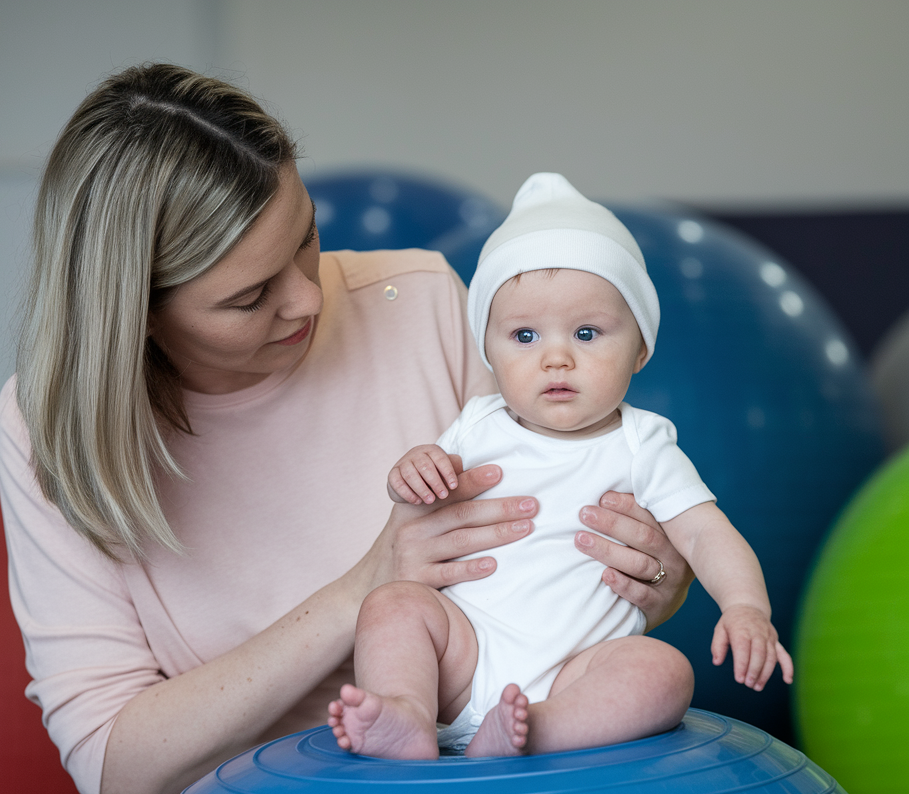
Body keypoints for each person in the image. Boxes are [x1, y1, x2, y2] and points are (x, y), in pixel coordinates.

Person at [0, 66, 695, 794]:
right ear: (140, 311)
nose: (304, 301)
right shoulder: (49, 428)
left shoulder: (425, 299)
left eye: (306, 237)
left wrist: (653, 569)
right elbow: (119, 771)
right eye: (250, 295)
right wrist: (362, 587)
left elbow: (561, 562)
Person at [328, 173, 794, 760]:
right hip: (461, 658)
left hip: (580, 673)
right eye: (524, 335)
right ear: (489, 352)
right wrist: (413, 472)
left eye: (586, 332)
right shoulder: (476, 425)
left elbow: (706, 532)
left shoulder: (642, 444)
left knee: (664, 670)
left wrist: (747, 607)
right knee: (392, 606)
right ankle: (407, 711)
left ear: (641, 349)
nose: (556, 357)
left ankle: (536, 731)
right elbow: (425, 493)